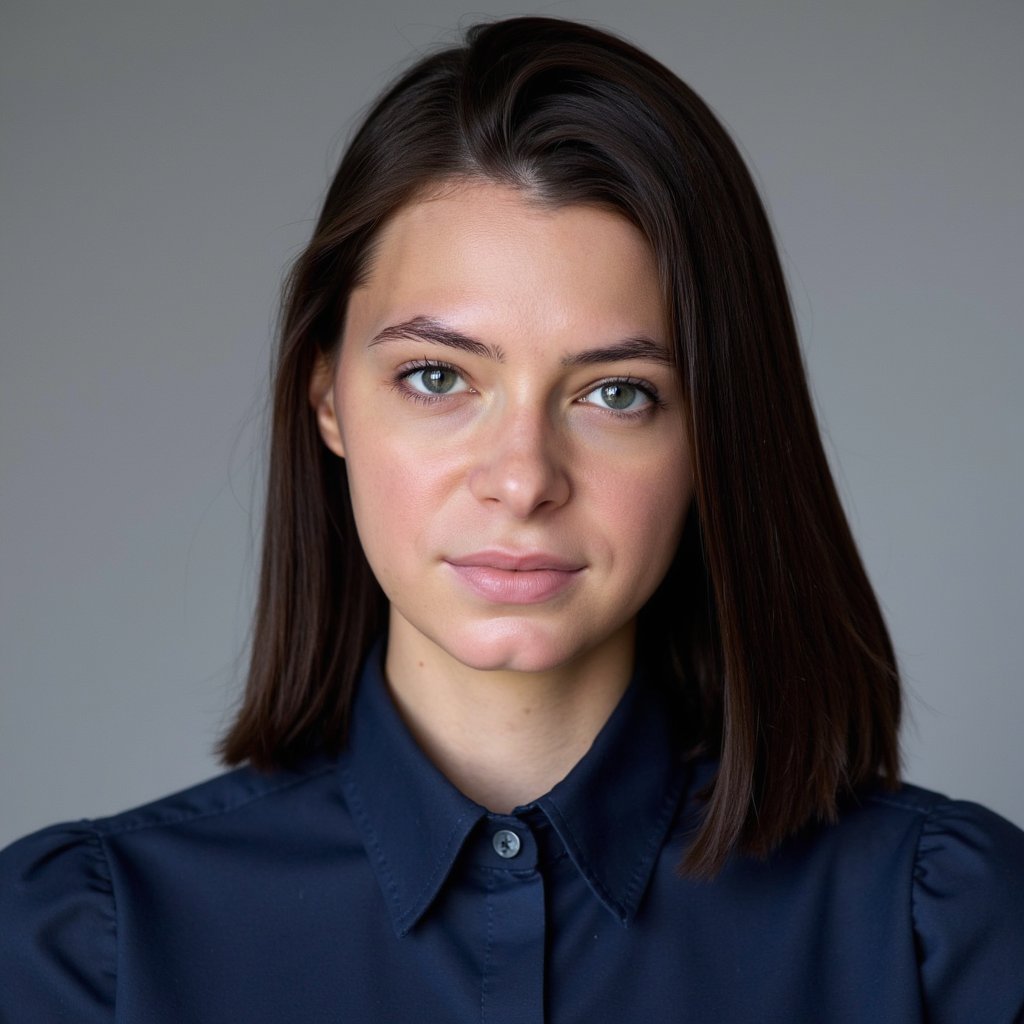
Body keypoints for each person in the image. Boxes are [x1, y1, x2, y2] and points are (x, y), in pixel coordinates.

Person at [2, 16, 1022, 1023]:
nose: (523, 480)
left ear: (715, 432)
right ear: (326, 398)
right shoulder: (83, 951)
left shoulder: (944, 930)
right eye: (437, 376)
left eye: (616, 393)